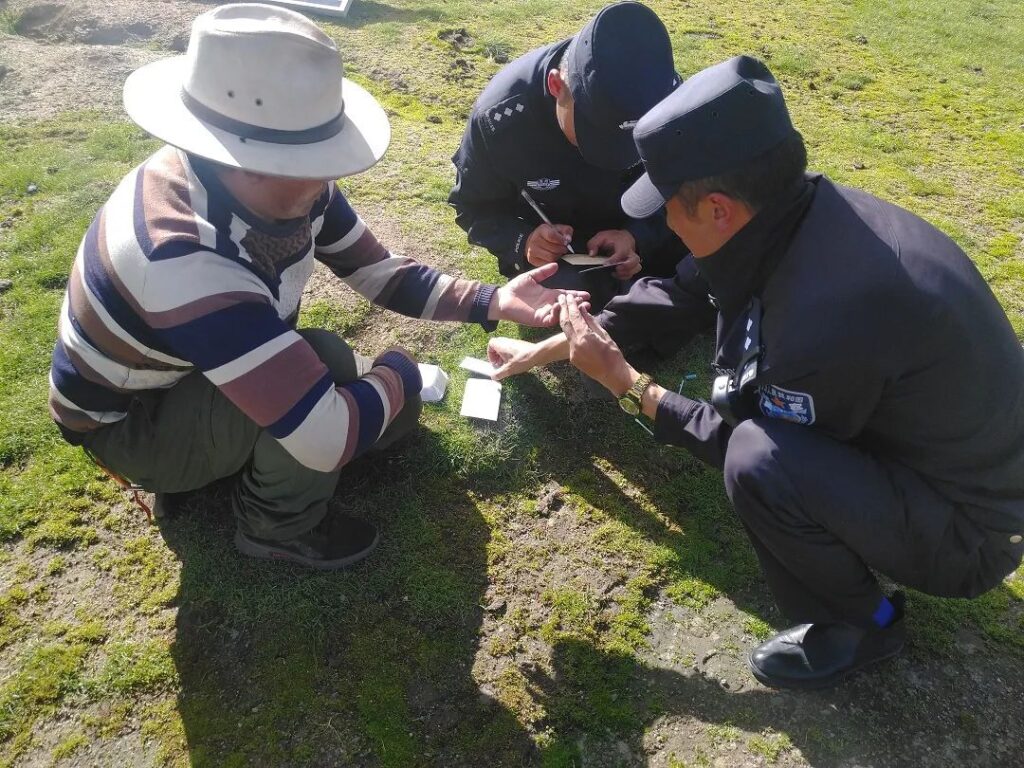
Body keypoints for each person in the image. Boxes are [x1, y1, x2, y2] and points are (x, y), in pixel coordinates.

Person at [487, 56, 1024, 689]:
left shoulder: (829, 315)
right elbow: (681, 290)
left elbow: (736, 439)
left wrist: (626, 385)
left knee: (758, 465)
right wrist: (550, 346)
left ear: (716, 208)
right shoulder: (795, 213)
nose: (663, 225)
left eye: (668, 209)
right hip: (939, 458)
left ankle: (865, 624)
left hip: (971, 534)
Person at [47, 3, 588, 571]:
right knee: (341, 403)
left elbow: (377, 271)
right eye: (311, 157)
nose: (329, 177)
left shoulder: (274, 186)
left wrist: (492, 300)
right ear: (240, 158)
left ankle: (221, 465)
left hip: (178, 378)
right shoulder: (180, 256)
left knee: (329, 366)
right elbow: (325, 437)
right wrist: (400, 375)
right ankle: (276, 529)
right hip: (130, 423)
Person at [448, 1, 688, 315]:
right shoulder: (501, 120)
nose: (612, 154)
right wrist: (524, 241)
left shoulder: (662, 96)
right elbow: (472, 207)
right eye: (596, 134)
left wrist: (635, 235)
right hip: (560, 253)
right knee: (571, 295)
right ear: (556, 85)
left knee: (714, 242)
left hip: (633, 227)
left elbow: (681, 183)